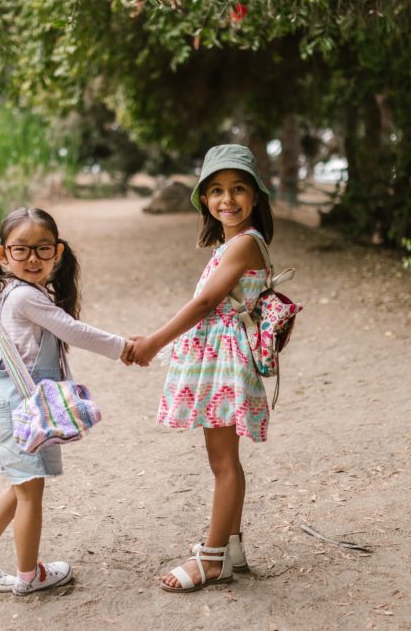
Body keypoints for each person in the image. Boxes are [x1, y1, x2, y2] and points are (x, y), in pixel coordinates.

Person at [0, 207, 133, 595]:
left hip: (19, 407)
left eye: (43, 249)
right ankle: (29, 576)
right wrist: (125, 348)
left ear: (57, 252)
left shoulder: (11, 294)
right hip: (21, 408)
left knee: (21, 486)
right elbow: (74, 331)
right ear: (2, 254)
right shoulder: (23, 298)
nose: (33, 258)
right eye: (22, 249)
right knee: (29, 492)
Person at [128, 144, 275, 592]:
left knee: (223, 462)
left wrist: (154, 340)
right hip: (217, 359)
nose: (226, 199)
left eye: (237, 189)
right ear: (205, 200)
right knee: (224, 460)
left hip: (224, 362)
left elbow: (208, 302)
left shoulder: (246, 243)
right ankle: (230, 546)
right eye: (215, 190)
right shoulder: (234, 242)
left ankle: (212, 561)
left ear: (255, 197)